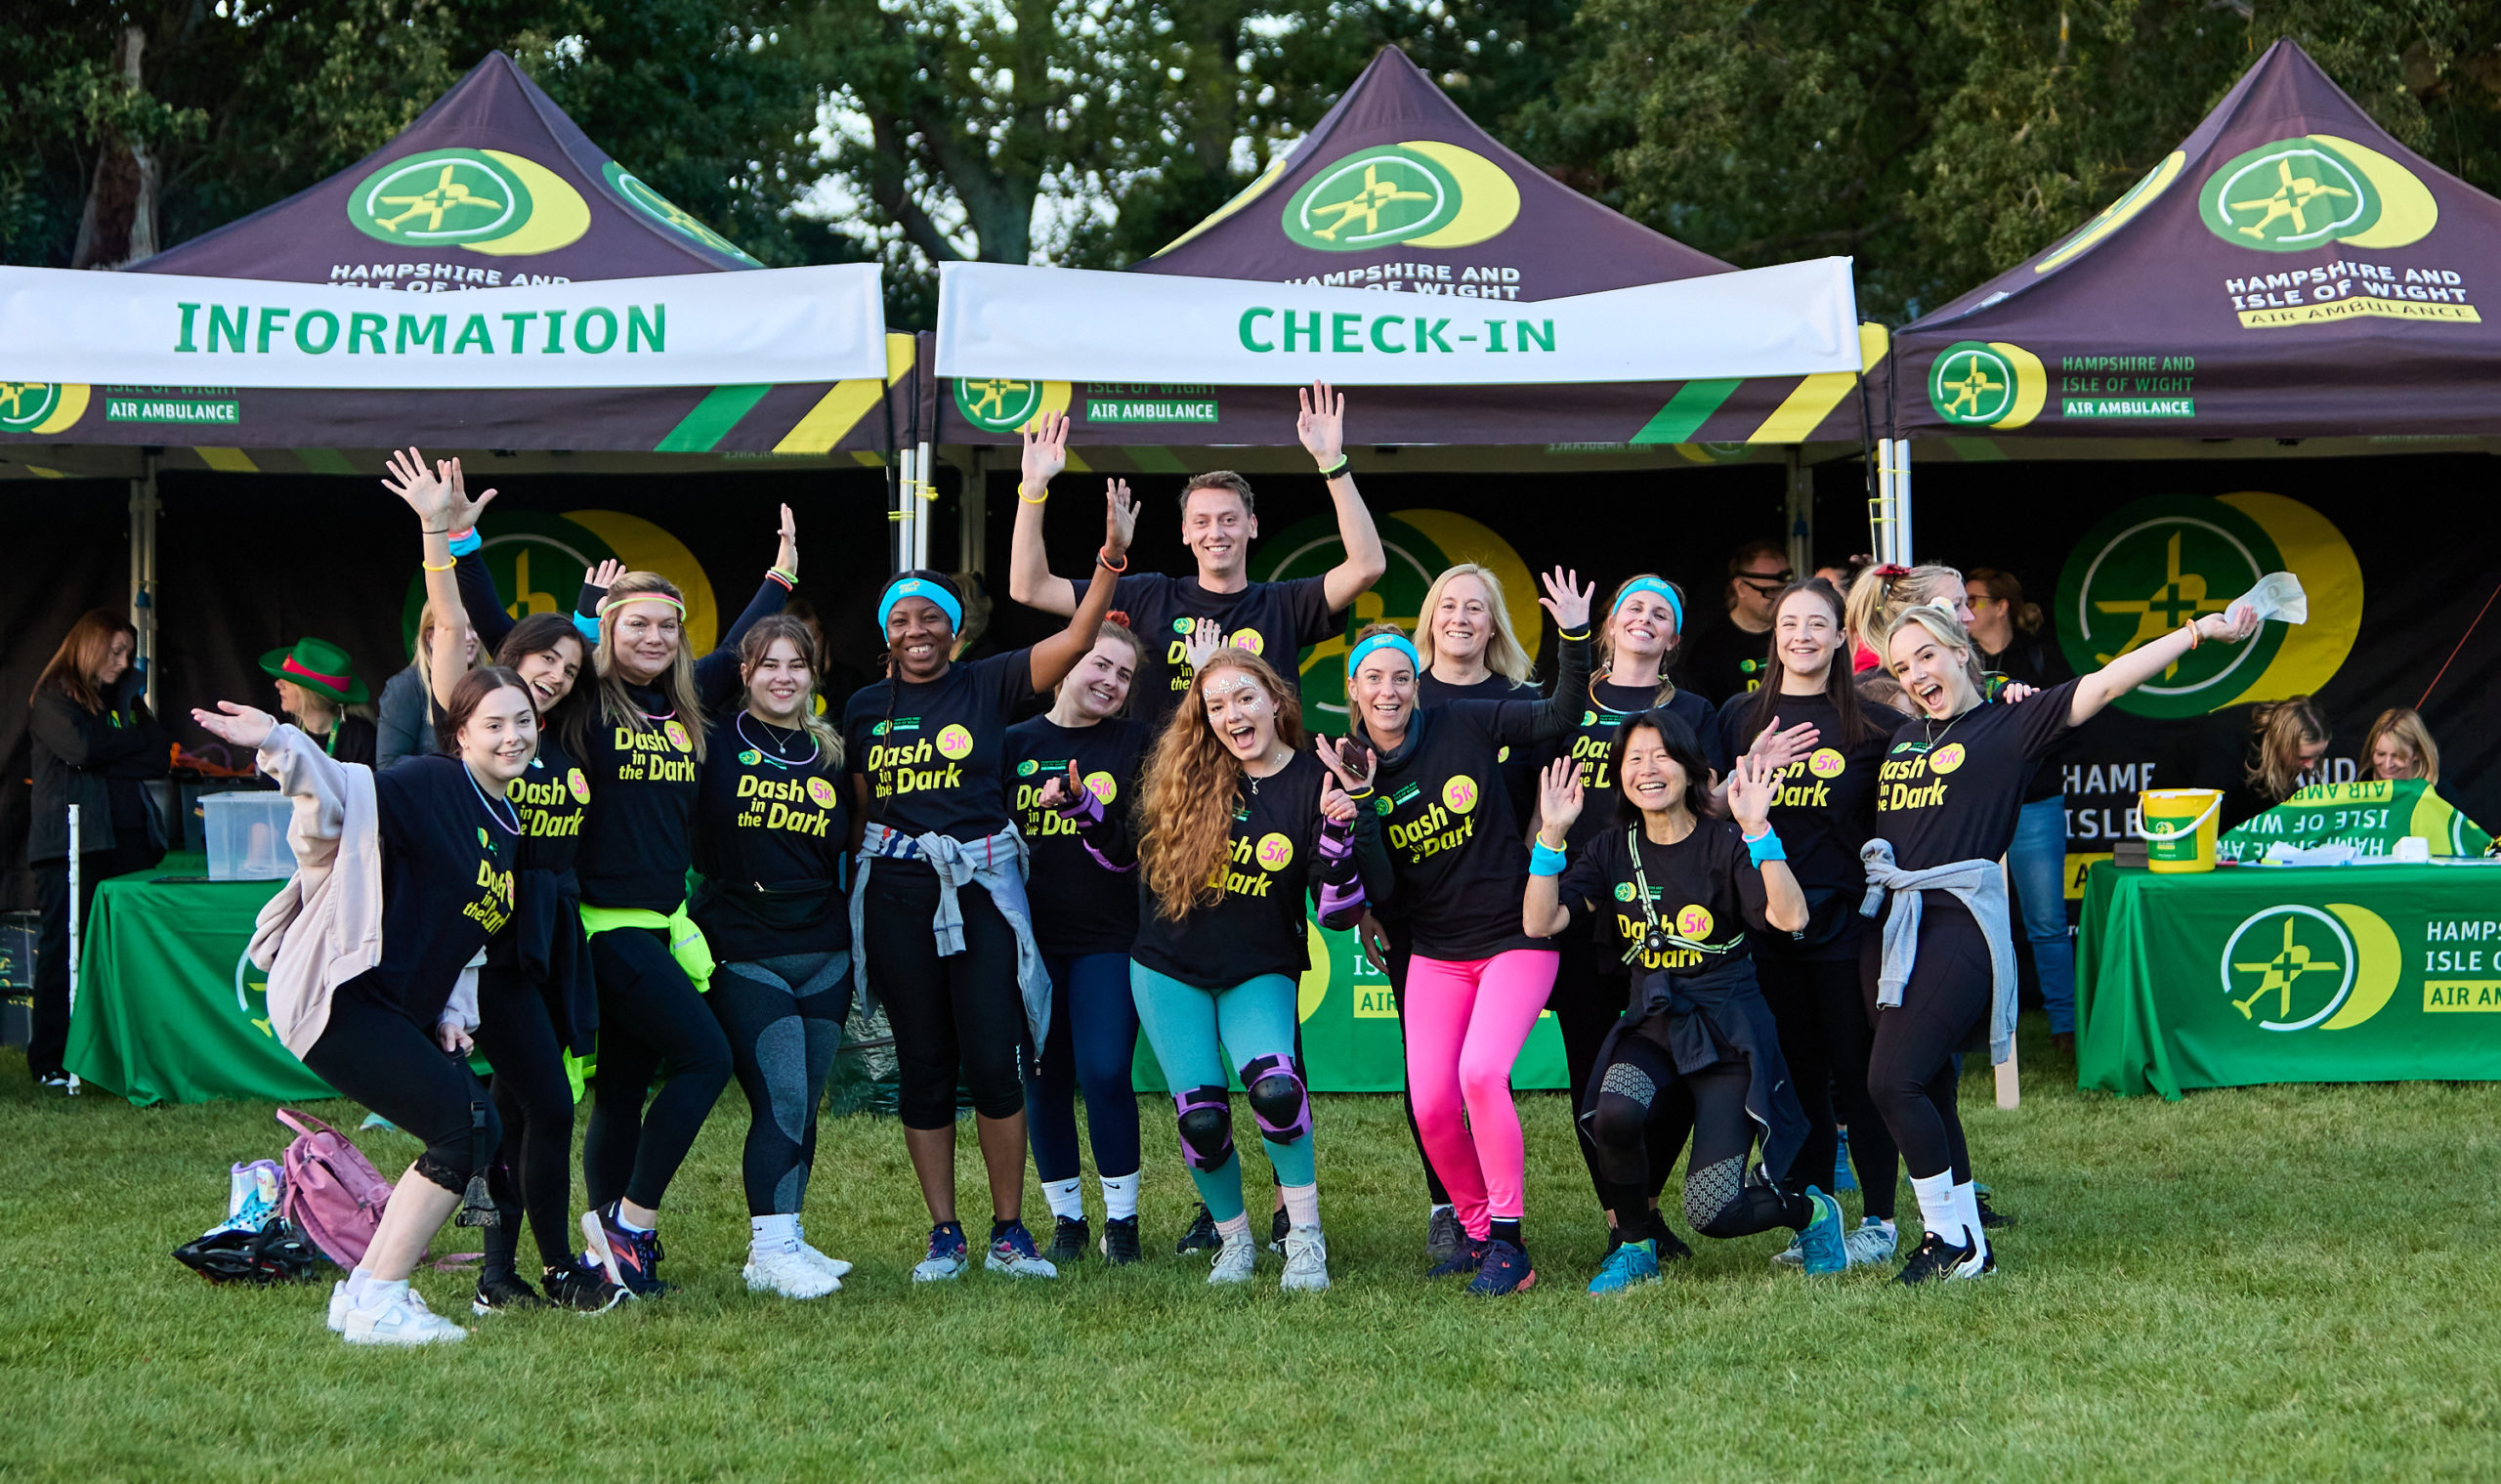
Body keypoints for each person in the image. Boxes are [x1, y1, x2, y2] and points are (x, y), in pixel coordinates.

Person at [1865, 596, 2261, 1283]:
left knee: (1890, 1080)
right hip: (1899, 926)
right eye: (1903, 666)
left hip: (1960, 926)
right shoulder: (1905, 736)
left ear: (1963, 651)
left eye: (1927, 654)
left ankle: (1945, 1239)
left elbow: (2109, 682)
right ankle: (1970, 1248)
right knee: (1925, 1081)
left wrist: (2200, 631)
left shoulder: (2012, 723)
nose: (1916, 673)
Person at [843, 456, 1133, 1285]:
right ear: (887, 632)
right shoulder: (866, 708)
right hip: (897, 895)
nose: (917, 631)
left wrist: (1110, 559)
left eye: (931, 619)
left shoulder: (989, 681)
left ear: (955, 628)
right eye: (902, 620)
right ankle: (945, 1232)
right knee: (925, 1065)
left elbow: (1079, 640)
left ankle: (1011, 1231)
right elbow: (863, 810)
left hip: (978, 895)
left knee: (994, 1060)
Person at [192, 667, 541, 1344]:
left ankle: (365, 1295)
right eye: (493, 724)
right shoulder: (435, 782)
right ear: (460, 732)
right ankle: (379, 1294)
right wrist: (278, 741)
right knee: (465, 1127)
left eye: (522, 721)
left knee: (473, 1124)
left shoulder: (506, 820)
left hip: (397, 1007)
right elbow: (342, 795)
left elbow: (467, 934)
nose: (511, 736)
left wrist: (450, 1011)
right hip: (342, 993)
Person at [386, 448, 622, 1315]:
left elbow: (574, 662)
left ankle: (504, 1274)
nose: (554, 676)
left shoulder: (562, 731)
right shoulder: (480, 722)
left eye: (568, 667)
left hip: (537, 942)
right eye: (541, 664)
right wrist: (451, 532)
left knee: (528, 1109)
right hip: (472, 946)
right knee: (524, 1109)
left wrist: (591, 619)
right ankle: (552, 1265)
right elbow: (466, 621)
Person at [1524, 716, 1848, 1293]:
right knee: (1615, 1113)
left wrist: (1759, 830)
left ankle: (1814, 1213)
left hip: (1727, 1030)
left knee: (1713, 1211)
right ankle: (1636, 1245)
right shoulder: (1609, 849)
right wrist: (1550, 838)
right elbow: (1539, 920)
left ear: (1694, 769)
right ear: (1619, 777)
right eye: (1634, 760)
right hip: (1653, 1020)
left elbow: (1791, 917)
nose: (1648, 770)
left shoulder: (1726, 842)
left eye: (1661, 756)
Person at [1338, 569, 1591, 1295]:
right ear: (1354, 691)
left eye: (1399, 678)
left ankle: (1510, 1241)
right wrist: (1360, 810)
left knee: (1482, 1074)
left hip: (1515, 934)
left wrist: (1574, 636)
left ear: (1416, 684)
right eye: (1373, 679)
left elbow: (1559, 714)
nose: (1388, 691)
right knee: (1430, 1101)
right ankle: (1477, 1231)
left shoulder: (1470, 717)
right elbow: (1381, 890)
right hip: (1436, 953)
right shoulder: (1353, 770)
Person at [571, 503, 801, 1297]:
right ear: (608, 631)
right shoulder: (585, 701)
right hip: (606, 927)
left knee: (627, 1084)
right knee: (705, 1057)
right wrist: (453, 542)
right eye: (637, 624)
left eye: (667, 626)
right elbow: (509, 640)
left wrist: (782, 577)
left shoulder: (687, 705)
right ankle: (632, 1226)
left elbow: (741, 640)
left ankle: (607, 1245)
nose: (654, 639)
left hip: (666, 924)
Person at [1127, 647, 1378, 1292]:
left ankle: (1305, 1239)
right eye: (1215, 705)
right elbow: (1119, 855)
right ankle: (1234, 1240)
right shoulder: (1186, 774)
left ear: (1275, 700)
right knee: (1201, 1117)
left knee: (1277, 1091)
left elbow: (1337, 910)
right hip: (1168, 968)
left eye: (1244, 698)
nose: (1232, 714)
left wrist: (1336, 835)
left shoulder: (1311, 781)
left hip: (1258, 966)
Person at [1716, 579, 1909, 1270]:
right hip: (1767, 929)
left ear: (1839, 638)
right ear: (1775, 636)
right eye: (1788, 622)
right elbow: (1706, 810)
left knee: (1859, 1075)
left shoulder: (1877, 726)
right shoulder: (1740, 716)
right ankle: (1819, 1219)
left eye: (1816, 624)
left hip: (1848, 927)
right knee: (1796, 1080)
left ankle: (1881, 1220)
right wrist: (1748, 774)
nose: (1800, 635)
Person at [1006, 382, 1385, 729]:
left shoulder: (1284, 604)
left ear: (1252, 525)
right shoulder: (1148, 596)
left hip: (1265, 793)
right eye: (1201, 522)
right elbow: (1030, 588)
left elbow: (1367, 566)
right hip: (1166, 795)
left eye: (1229, 520)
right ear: (1185, 533)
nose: (1215, 533)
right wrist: (1034, 487)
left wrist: (1332, 464)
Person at [1540, 573, 1725, 1258]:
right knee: (1593, 1071)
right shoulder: (1566, 701)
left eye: (1661, 613)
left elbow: (1708, 801)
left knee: (1670, 1065)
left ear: (1674, 636)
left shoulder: (1697, 710)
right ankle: (1624, 1222)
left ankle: (1643, 1207)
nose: (1645, 619)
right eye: (1633, 608)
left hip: (1668, 912)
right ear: (1610, 625)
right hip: (1584, 907)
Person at [1369, 561, 1544, 1261]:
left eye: (1477, 607)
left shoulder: (1512, 699)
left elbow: (1544, 786)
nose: (1462, 617)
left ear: (1494, 621)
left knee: (1480, 1069)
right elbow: (1364, 824)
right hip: (1422, 922)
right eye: (1449, 604)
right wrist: (1366, 909)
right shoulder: (1399, 697)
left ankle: (1499, 1224)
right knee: (1431, 1085)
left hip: (1506, 914)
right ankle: (1452, 1208)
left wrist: (1541, 863)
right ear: (1429, 620)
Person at [693, 615, 855, 1299]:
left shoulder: (831, 750)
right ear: (745, 673)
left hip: (824, 946)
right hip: (745, 943)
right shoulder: (709, 739)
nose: (784, 676)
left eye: (797, 664)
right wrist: (775, 582)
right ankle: (768, 1250)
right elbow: (692, 677)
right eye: (768, 664)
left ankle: (787, 1233)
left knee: (805, 1100)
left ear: (813, 675)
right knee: (781, 1094)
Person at [1005, 619, 1154, 1266]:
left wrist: (1091, 811)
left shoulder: (1138, 743)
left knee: (1104, 1070)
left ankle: (1121, 1222)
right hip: (1030, 945)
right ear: (1066, 664)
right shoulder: (1011, 743)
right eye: (1100, 664)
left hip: (1109, 938)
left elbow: (1142, 848)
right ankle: (1066, 1218)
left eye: (1124, 675)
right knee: (1042, 1076)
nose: (1111, 682)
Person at [25, 611, 167, 1089]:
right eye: (114, 652)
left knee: (120, 950)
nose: (122, 662)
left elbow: (154, 752)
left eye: (127, 653)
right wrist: (119, 743)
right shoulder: (51, 697)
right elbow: (82, 749)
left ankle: (113, 1053)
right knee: (64, 948)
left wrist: (117, 739)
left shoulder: (123, 699)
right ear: (89, 646)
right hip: (70, 843)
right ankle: (49, 1057)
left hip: (123, 839)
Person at [1964, 567, 2080, 1053]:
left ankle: (2066, 1029)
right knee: (1965, 925)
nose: (1964, 611)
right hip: (1973, 808)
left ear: (2002, 605)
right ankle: (1964, 1030)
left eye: (1973, 600)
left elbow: (2071, 720)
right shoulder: (1956, 659)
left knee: (2047, 922)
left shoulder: (2039, 656)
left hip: (2035, 802)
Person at [1681, 539, 1794, 703]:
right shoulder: (1709, 650)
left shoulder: (1797, 635)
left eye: (1785, 589)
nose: (1780, 598)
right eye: (1769, 591)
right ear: (1740, 587)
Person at [376, 602, 478, 771]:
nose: (469, 637)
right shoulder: (405, 686)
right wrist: (449, 771)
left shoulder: (486, 684)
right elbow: (389, 765)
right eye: (457, 630)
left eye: (473, 627)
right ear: (430, 637)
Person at [260, 637, 377, 765]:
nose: (278, 684)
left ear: (310, 693)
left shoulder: (360, 738)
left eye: (289, 680)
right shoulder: (284, 731)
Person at [2360, 706, 2439, 784]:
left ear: (2418, 752)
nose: (2388, 765)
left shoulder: (2441, 793)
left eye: (2397, 756)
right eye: (2380, 754)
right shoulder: (2360, 788)